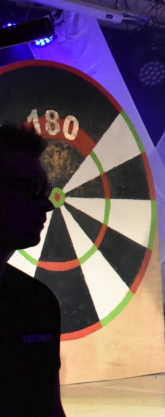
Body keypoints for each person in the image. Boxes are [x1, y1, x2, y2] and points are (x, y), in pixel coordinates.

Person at [0, 123, 65, 417]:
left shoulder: (39, 303)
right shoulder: (37, 302)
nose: (47, 205)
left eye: (46, 190)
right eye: (31, 188)